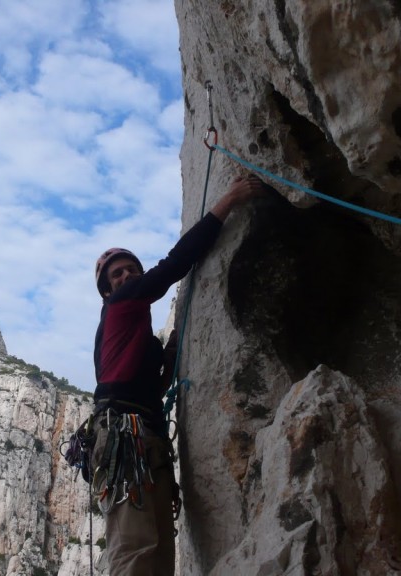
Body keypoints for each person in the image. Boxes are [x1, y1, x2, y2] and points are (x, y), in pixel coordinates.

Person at [90, 174, 265, 575]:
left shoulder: (139, 340)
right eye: (116, 274)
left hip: (142, 437)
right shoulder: (121, 304)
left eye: (130, 268)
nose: (126, 275)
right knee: (136, 548)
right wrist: (228, 202)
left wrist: (172, 344)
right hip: (125, 436)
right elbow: (173, 265)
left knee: (158, 548)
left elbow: (156, 381)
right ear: (107, 290)